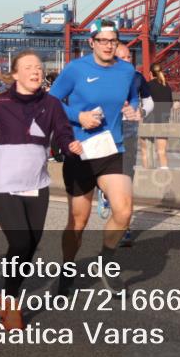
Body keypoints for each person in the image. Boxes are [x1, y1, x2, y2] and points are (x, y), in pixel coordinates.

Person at [0, 50, 82, 329]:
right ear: (15, 73)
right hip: (4, 185)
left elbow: (63, 132)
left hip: (37, 184)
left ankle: (6, 295)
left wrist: (70, 146)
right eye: (29, 67)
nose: (36, 71)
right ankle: (13, 304)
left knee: (30, 245)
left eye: (39, 68)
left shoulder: (52, 104)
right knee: (20, 242)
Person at [49, 19, 139, 296]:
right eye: (103, 40)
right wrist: (79, 116)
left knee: (123, 210)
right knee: (79, 221)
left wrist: (133, 109)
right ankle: (67, 268)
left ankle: (106, 262)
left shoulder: (127, 71)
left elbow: (134, 97)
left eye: (113, 41)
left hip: (112, 148)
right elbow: (50, 103)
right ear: (91, 42)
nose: (109, 45)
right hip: (80, 150)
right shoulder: (76, 69)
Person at [113, 43, 153, 246]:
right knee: (110, 179)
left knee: (127, 178)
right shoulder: (103, 78)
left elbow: (149, 100)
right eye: (122, 58)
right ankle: (105, 195)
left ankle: (125, 227)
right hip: (107, 135)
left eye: (129, 57)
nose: (127, 61)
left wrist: (142, 112)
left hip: (129, 132)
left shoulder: (137, 77)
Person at [141, 63, 173, 170]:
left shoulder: (147, 86)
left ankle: (148, 175)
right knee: (162, 151)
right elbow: (170, 104)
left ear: (150, 73)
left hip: (149, 121)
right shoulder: (167, 86)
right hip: (163, 121)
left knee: (146, 151)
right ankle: (165, 176)